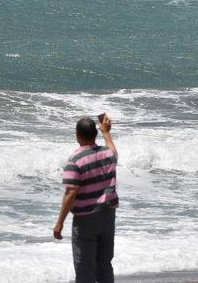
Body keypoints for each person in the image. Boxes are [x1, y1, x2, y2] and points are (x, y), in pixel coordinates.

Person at [53, 114, 119, 283]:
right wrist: (106, 132)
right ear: (95, 134)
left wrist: (60, 222)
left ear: (77, 135)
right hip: (107, 216)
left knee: (85, 269)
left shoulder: (75, 161)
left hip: (85, 220)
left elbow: (70, 193)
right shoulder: (107, 155)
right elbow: (113, 150)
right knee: (104, 264)